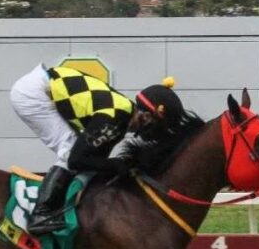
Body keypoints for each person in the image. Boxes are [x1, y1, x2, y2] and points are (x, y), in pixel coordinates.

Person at [9, 64, 185, 234]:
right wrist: (115, 165)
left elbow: (94, 160)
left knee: (82, 153)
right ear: (146, 116)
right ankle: (40, 214)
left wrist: (114, 165)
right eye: (159, 126)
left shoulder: (122, 117)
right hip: (32, 93)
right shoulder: (114, 118)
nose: (156, 134)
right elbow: (76, 160)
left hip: (43, 86)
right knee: (70, 150)